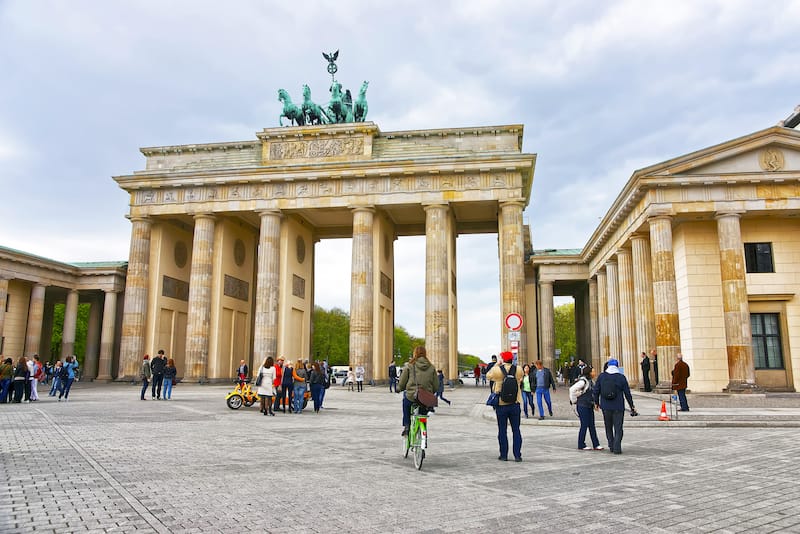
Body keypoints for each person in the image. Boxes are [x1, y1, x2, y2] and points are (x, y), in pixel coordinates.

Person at [593, 358, 636, 454]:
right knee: (618, 427)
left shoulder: (602, 376)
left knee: (608, 427)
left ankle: (611, 445)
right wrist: (632, 405)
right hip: (618, 406)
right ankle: (617, 447)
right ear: (617, 366)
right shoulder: (621, 377)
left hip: (605, 406)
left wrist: (596, 403)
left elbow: (596, 391)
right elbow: (627, 393)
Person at [486, 351, 524, 462]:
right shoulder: (519, 369)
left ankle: (503, 455)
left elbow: (488, 375)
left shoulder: (497, 370)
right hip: (515, 403)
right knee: (516, 430)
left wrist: (497, 364)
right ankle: (517, 455)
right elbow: (521, 377)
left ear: (502, 359)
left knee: (502, 430)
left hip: (501, 404)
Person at [397, 345, 438, 437]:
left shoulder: (409, 366)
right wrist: (430, 392)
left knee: (405, 404)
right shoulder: (431, 367)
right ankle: (423, 433)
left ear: (414, 353)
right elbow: (436, 385)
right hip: (425, 397)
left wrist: (399, 388)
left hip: (412, 395)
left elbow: (402, 381)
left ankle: (407, 426)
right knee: (423, 413)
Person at [569, 366, 603, 450]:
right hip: (582, 405)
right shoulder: (583, 382)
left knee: (591, 425)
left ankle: (596, 444)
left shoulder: (591, 381)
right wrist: (574, 401)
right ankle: (581, 444)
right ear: (589, 373)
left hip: (588, 405)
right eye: (593, 371)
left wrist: (595, 403)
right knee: (584, 425)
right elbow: (572, 389)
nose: (595, 373)